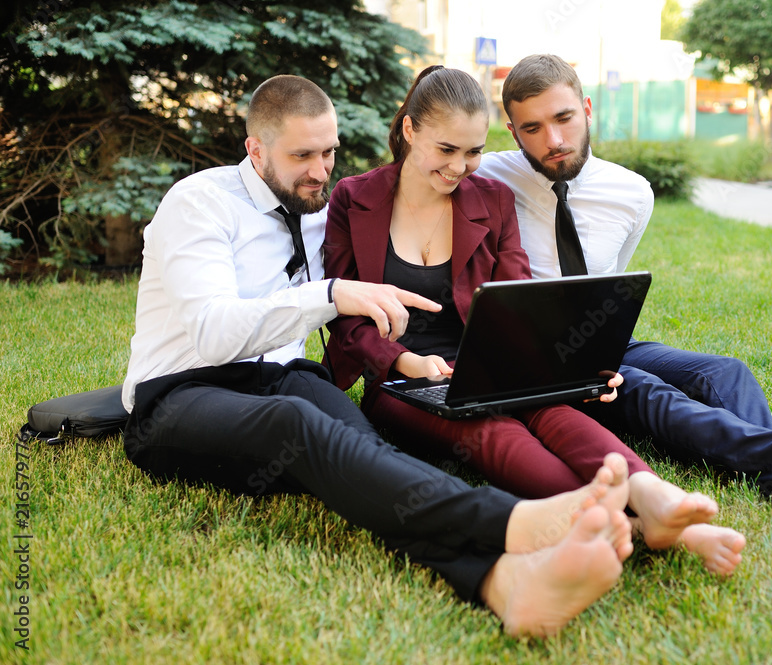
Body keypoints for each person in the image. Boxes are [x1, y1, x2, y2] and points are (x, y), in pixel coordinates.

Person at [120, 73, 639, 638]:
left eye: (329, 152)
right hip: (181, 393)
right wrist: (330, 293)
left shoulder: (320, 206)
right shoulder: (199, 204)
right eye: (302, 155)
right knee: (299, 423)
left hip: (284, 379)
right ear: (256, 148)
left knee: (362, 453)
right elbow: (211, 333)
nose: (320, 171)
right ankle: (514, 522)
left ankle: (501, 584)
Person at [476, 54, 772, 537]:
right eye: (533, 128)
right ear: (512, 131)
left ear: (587, 109)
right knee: (650, 391)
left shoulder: (632, 193)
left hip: (600, 339)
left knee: (724, 372)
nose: (554, 141)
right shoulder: (487, 177)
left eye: (563, 118)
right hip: (540, 359)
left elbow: (611, 282)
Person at [323, 65, 745, 576]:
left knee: (557, 414)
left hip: (488, 360)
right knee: (494, 431)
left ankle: (652, 495)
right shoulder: (354, 198)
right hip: (401, 378)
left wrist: (573, 369)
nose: (460, 168)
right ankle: (620, 521)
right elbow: (346, 318)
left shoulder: (492, 199)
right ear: (410, 130)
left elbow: (522, 299)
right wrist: (409, 361)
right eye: (446, 150)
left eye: (474, 152)